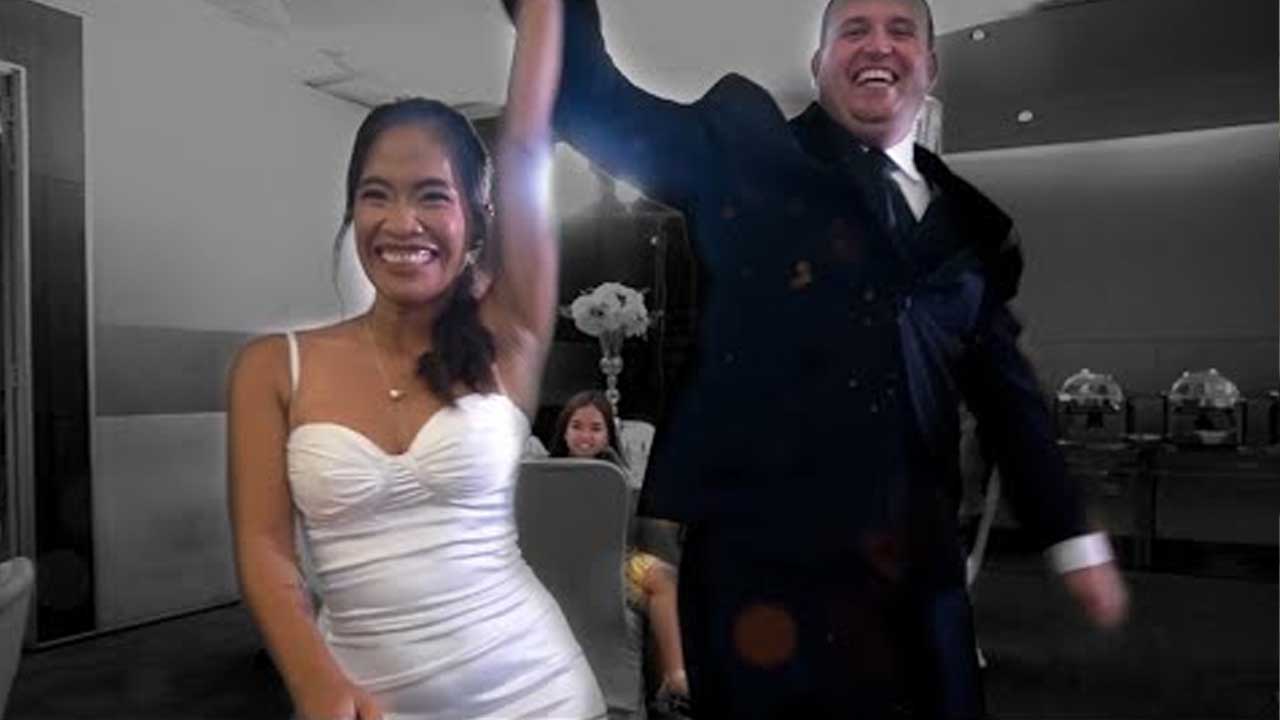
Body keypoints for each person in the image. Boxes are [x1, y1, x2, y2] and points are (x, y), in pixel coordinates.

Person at [505, 0, 1130, 717]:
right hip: (763, 585)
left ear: (930, 65)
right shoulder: (745, 154)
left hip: (916, 592)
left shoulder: (969, 224)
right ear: (819, 64)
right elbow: (591, 100)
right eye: (854, 29)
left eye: (901, 30)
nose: (879, 44)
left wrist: (1069, 532)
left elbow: (1004, 390)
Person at [227, 2, 607, 718]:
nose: (402, 223)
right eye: (377, 196)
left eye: (433, 196)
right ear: (352, 213)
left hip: (539, 695)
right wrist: (315, 681)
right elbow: (266, 547)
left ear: (475, 221)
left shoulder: (509, 338)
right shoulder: (272, 368)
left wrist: (540, 12)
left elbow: (525, 146)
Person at [549, 391, 691, 712]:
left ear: (608, 435)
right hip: (559, 560)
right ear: (564, 431)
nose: (585, 436)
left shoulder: (619, 476)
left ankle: (674, 675)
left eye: (595, 428)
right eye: (577, 426)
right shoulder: (543, 473)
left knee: (664, 578)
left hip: (613, 561)